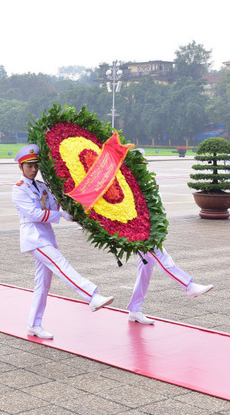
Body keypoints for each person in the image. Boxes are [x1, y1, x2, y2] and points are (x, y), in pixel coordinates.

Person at [12, 144, 114, 340]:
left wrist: (70, 208)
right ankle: (91, 296)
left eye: (35, 165)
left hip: (46, 237)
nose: (33, 169)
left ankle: (34, 325)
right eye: (29, 166)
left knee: (42, 284)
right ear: (21, 167)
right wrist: (60, 214)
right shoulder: (18, 190)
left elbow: (53, 204)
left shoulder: (42, 186)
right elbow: (34, 214)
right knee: (61, 264)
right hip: (34, 238)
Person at [127, 247, 214, 324]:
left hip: (142, 232)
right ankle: (189, 286)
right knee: (162, 258)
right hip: (142, 234)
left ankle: (135, 307)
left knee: (144, 271)